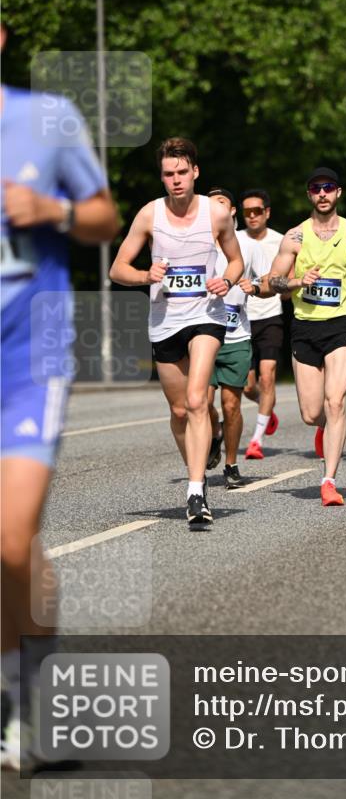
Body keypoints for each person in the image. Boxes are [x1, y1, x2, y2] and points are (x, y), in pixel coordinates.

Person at [1, 60, 120, 770]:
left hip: (28, 357)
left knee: (11, 541)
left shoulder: (47, 119)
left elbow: (103, 213)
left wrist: (56, 211)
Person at [109, 138, 243, 523]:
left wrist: (227, 281)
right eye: (168, 174)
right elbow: (117, 269)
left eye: (182, 172)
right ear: (162, 177)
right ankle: (196, 473)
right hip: (165, 318)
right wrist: (144, 275)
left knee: (199, 399)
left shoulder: (216, 214)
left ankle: (196, 492)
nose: (176, 180)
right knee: (180, 409)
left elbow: (235, 261)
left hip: (206, 314)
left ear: (195, 172)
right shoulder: (150, 215)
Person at [268, 166, 346, 506]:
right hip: (305, 326)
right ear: (309, 195)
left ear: (339, 193)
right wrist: (299, 282)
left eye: (329, 187)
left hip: (343, 323)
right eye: (316, 188)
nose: (323, 194)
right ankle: (323, 427)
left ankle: (329, 480)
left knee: (335, 401)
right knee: (311, 412)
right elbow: (273, 281)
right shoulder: (295, 237)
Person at [206, 189, 273, 488]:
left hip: (236, 334)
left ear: (232, 211)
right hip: (202, 332)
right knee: (201, 402)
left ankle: (231, 464)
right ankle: (214, 433)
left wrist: (255, 286)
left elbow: (268, 281)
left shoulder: (247, 245)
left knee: (232, 404)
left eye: (220, 203)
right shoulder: (197, 241)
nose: (214, 208)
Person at [238, 189, 286, 460]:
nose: (252, 216)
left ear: (267, 212)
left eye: (257, 211)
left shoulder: (280, 241)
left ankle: (256, 440)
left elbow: (288, 275)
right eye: (247, 212)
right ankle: (266, 408)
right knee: (247, 387)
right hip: (241, 319)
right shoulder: (234, 239)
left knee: (267, 377)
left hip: (270, 316)